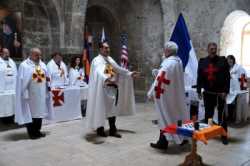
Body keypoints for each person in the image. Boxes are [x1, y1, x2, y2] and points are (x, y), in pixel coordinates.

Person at [86, 41, 139, 138]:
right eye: (106, 48)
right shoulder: (97, 60)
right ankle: (100, 129)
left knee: (112, 110)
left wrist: (130, 73)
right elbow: (99, 72)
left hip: (112, 88)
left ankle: (112, 130)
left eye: (108, 48)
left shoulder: (109, 59)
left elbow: (118, 69)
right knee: (101, 108)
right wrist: (106, 79)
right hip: (102, 89)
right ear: (100, 49)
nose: (108, 50)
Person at [148, 41, 189, 150]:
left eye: (165, 49)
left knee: (164, 116)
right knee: (176, 116)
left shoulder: (168, 63)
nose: (163, 51)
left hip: (164, 95)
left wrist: (151, 92)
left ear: (168, 51)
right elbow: (168, 77)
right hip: (175, 93)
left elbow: (160, 80)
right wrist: (158, 72)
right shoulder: (178, 61)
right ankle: (181, 137)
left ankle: (163, 142)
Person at [15, 48, 53, 139]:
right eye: (37, 55)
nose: (39, 57)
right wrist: (24, 93)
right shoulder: (24, 66)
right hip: (30, 96)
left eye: (40, 55)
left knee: (40, 114)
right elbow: (21, 82)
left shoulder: (42, 64)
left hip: (41, 94)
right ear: (31, 54)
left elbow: (47, 78)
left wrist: (48, 89)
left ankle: (38, 131)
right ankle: (31, 133)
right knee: (30, 114)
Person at [197, 42, 230, 145]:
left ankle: (223, 134)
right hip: (208, 92)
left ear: (217, 50)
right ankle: (209, 131)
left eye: (215, 48)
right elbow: (200, 77)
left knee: (222, 115)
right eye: (211, 48)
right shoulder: (202, 62)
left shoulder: (222, 61)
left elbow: (227, 77)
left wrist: (225, 91)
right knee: (208, 114)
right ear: (208, 49)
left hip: (220, 93)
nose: (213, 50)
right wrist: (199, 90)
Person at [226, 55, 248, 122]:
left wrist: (243, 88)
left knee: (236, 104)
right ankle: (230, 117)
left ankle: (235, 118)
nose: (229, 61)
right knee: (230, 103)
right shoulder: (228, 68)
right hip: (230, 89)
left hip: (238, 89)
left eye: (231, 59)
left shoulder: (238, 67)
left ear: (233, 60)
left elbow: (243, 77)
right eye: (228, 59)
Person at [0, 48, 17, 119]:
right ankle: (4, 119)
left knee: (12, 105)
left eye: (8, 53)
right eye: (5, 53)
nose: (7, 54)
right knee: (4, 105)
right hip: (2, 88)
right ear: (1, 54)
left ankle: (12, 117)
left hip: (12, 88)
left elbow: (16, 73)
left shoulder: (12, 62)